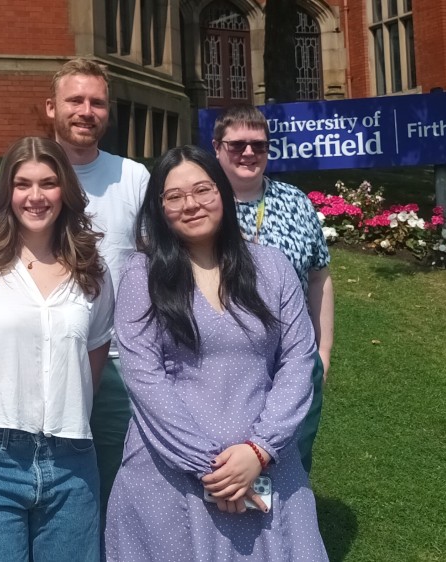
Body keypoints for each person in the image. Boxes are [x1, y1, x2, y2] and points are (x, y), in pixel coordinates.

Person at [105, 145, 327, 561]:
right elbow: (144, 376)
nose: (191, 204)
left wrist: (259, 451)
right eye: (174, 196)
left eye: (203, 189)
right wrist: (214, 470)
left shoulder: (272, 268)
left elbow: (299, 360)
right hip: (170, 476)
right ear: (159, 208)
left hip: (267, 466)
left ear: (223, 192)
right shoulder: (142, 274)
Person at [0, 137, 114, 562]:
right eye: (22, 184)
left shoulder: (92, 270)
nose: (35, 197)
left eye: (48, 183)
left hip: (71, 459)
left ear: (65, 191)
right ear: (6, 194)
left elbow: (93, 358)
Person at [0, 59, 149, 517]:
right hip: (34, 358)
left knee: (119, 488)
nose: (86, 110)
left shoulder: (133, 177)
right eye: (75, 100)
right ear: (50, 108)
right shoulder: (23, 176)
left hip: (118, 364)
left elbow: (160, 265)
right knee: (43, 487)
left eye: (97, 102)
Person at [212, 104, 334, 473]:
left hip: (292, 360)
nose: (249, 153)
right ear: (217, 148)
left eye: (259, 145)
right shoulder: (201, 203)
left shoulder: (295, 202)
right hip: (221, 363)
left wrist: (323, 352)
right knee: (227, 464)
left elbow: (319, 276)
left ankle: (289, 530)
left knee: (290, 463)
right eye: (237, 145)